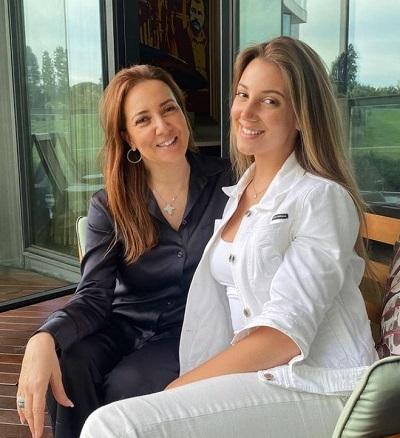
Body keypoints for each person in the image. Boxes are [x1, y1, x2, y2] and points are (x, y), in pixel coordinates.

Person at [80, 37, 379, 438]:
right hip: (259, 378)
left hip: (318, 384)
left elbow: (284, 335)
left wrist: (178, 390)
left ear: (301, 116)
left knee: (114, 425)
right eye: (242, 95)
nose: (247, 112)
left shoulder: (320, 198)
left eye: (270, 101)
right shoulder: (238, 194)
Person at [16, 64, 231, 438]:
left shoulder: (228, 184)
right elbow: (93, 295)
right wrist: (43, 337)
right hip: (123, 324)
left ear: (183, 114)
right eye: (143, 119)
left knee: (127, 386)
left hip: (191, 328)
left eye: (169, 109)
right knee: (68, 362)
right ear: (127, 137)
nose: (162, 126)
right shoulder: (110, 205)